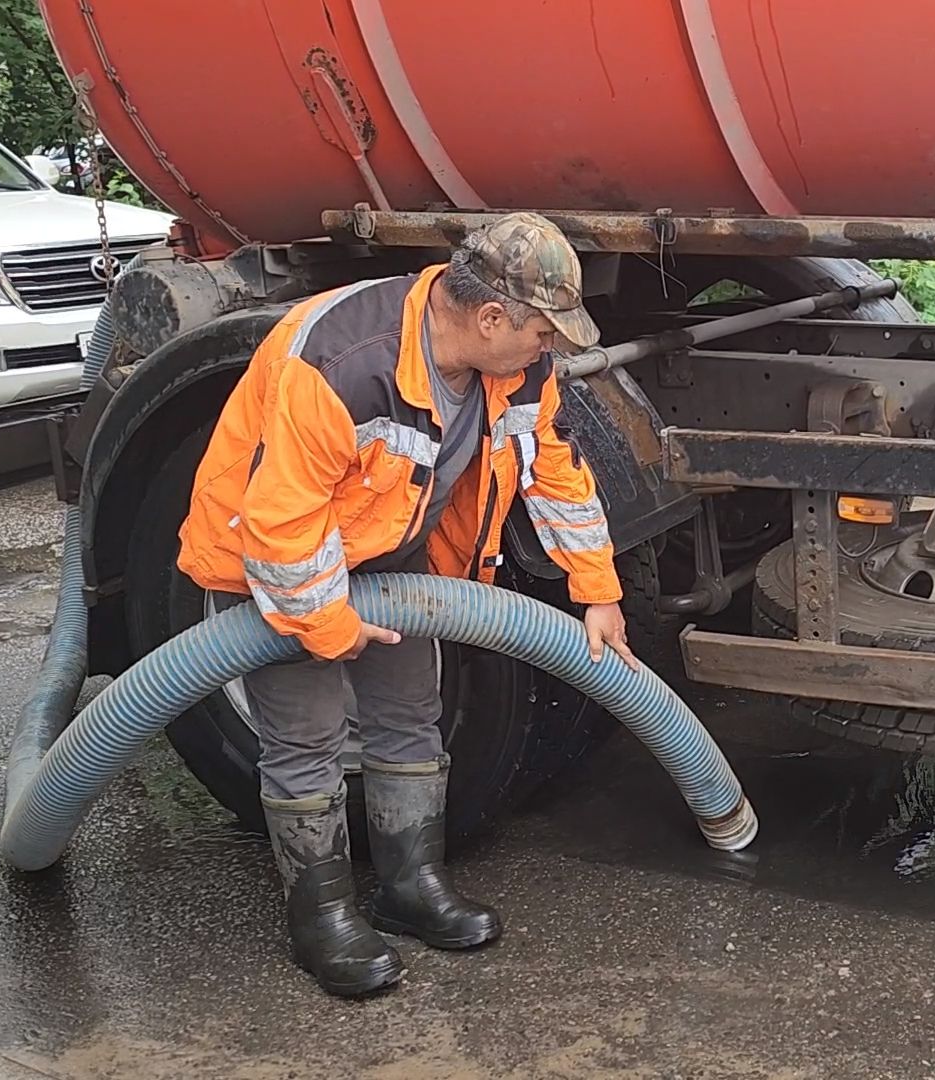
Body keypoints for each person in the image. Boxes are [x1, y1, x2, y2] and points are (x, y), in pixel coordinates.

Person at [175, 213, 635, 997]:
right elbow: (282, 523)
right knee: (308, 734)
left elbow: (554, 474)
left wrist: (598, 591)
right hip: (276, 564)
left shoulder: (517, 370)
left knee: (409, 712)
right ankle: (318, 918)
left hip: (387, 550)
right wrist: (328, 623)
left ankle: (407, 887)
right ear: (491, 317)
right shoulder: (344, 363)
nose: (549, 348)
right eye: (543, 333)